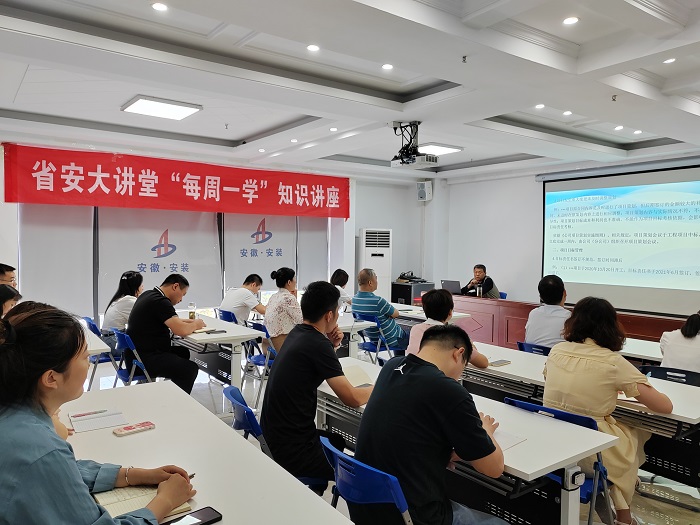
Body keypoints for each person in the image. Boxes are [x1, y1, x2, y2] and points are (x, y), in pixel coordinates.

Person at [0, 303, 196, 525]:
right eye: (85, 357)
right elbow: (49, 465)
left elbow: (62, 473)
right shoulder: (42, 449)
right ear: (51, 378)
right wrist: (166, 501)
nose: (90, 363)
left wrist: (133, 475)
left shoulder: (12, 413)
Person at [349, 325, 506, 525]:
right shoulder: (449, 390)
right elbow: (494, 468)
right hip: (409, 516)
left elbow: (412, 427)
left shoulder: (392, 366)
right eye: (464, 367)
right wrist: (486, 430)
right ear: (459, 354)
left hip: (365, 505)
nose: (459, 375)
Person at [543, 297, 672, 525]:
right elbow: (664, 406)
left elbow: (553, 380)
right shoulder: (613, 362)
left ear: (574, 322)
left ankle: (618, 502)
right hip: (592, 453)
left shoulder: (557, 350)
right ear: (611, 326)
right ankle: (624, 511)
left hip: (555, 445)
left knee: (620, 441)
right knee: (635, 435)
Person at [261, 281, 372, 484]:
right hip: (292, 453)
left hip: (273, 439)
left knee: (336, 440)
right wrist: (379, 387)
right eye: (337, 312)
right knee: (357, 470)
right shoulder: (317, 343)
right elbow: (353, 398)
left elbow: (312, 367)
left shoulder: (297, 333)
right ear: (329, 315)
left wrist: (332, 345)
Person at [126, 274, 205, 394]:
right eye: (183, 294)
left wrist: (191, 322)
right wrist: (196, 324)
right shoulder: (161, 302)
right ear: (175, 286)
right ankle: (175, 401)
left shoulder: (149, 294)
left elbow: (172, 320)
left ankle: (170, 390)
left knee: (183, 352)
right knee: (190, 369)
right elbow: (181, 330)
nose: (181, 299)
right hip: (144, 360)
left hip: (135, 356)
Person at [407, 288, 488, 368]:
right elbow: (483, 363)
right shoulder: (454, 336)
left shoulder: (416, 329)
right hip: (437, 375)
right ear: (450, 312)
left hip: (410, 373)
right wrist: (469, 344)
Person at [352, 268, 409, 351]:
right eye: (376, 278)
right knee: (413, 334)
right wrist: (388, 315)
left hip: (372, 339)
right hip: (389, 340)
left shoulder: (354, 300)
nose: (377, 282)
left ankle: (396, 358)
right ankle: (400, 359)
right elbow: (396, 314)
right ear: (370, 282)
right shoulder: (378, 301)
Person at [101, 270, 144, 351]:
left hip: (109, 340)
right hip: (115, 343)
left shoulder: (120, 298)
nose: (143, 287)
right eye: (141, 284)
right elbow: (142, 322)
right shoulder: (129, 301)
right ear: (135, 286)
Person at [524, 275, 570, 348]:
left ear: (540, 297)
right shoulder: (569, 317)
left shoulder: (533, 313)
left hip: (530, 354)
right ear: (564, 293)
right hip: (555, 355)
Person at [264, 267, 302, 351]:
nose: (295, 282)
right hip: (280, 348)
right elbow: (301, 321)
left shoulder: (273, 297)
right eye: (294, 279)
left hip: (267, 348)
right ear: (289, 282)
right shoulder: (288, 298)